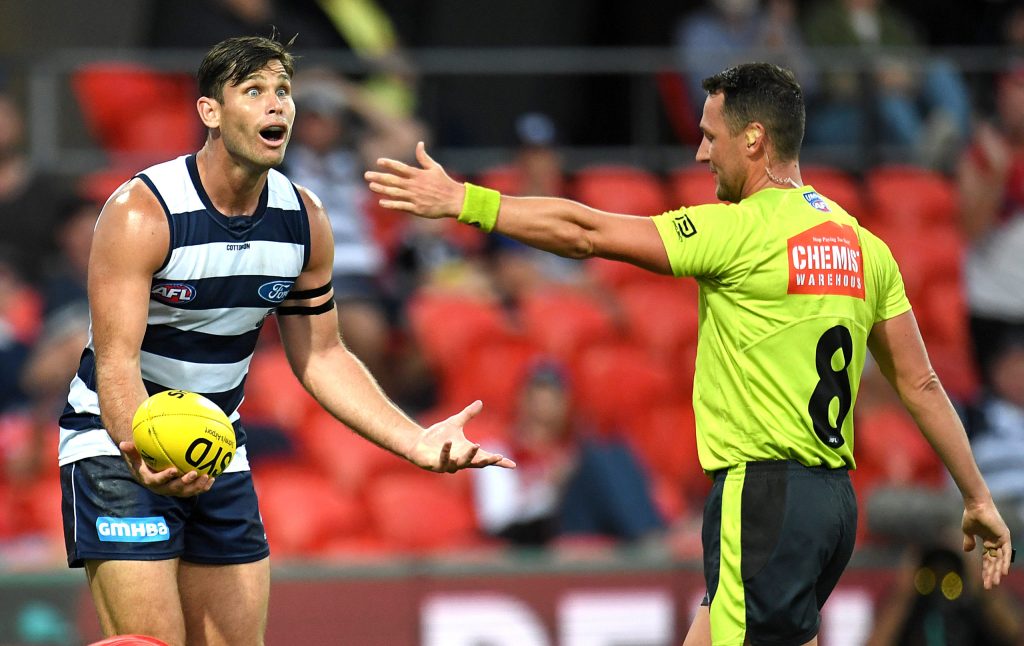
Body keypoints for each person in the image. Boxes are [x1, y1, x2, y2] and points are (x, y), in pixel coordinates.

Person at [365, 62, 1012, 645]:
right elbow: (922, 383)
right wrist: (976, 495)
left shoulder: (737, 231)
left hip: (762, 495)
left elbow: (586, 232)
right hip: (830, 506)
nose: (701, 152)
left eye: (711, 135)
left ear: (754, 139)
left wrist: (465, 201)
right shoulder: (862, 245)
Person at [57, 34, 514, 646]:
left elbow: (322, 356)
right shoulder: (144, 212)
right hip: (115, 445)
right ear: (210, 113)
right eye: (253, 91)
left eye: (283, 91)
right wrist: (142, 450)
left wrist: (415, 441)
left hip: (215, 448)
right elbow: (116, 361)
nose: (276, 106)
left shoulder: (305, 220)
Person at [472, 359, 665, 547]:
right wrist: (550, 489)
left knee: (614, 452)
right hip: (541, 536)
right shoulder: (499, 451)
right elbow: (498, 520)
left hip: (588, 522)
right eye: (537, 396)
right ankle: (650, 538)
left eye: (553, 397)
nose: (544, 406)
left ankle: (654, 535)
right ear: (522, 400)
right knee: (596, 460)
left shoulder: (573, 449)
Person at [955, 62, 1024, 388]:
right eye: (1014, 89)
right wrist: (999, 175)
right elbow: (971, 230)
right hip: (995, 304)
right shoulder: (981, 155)